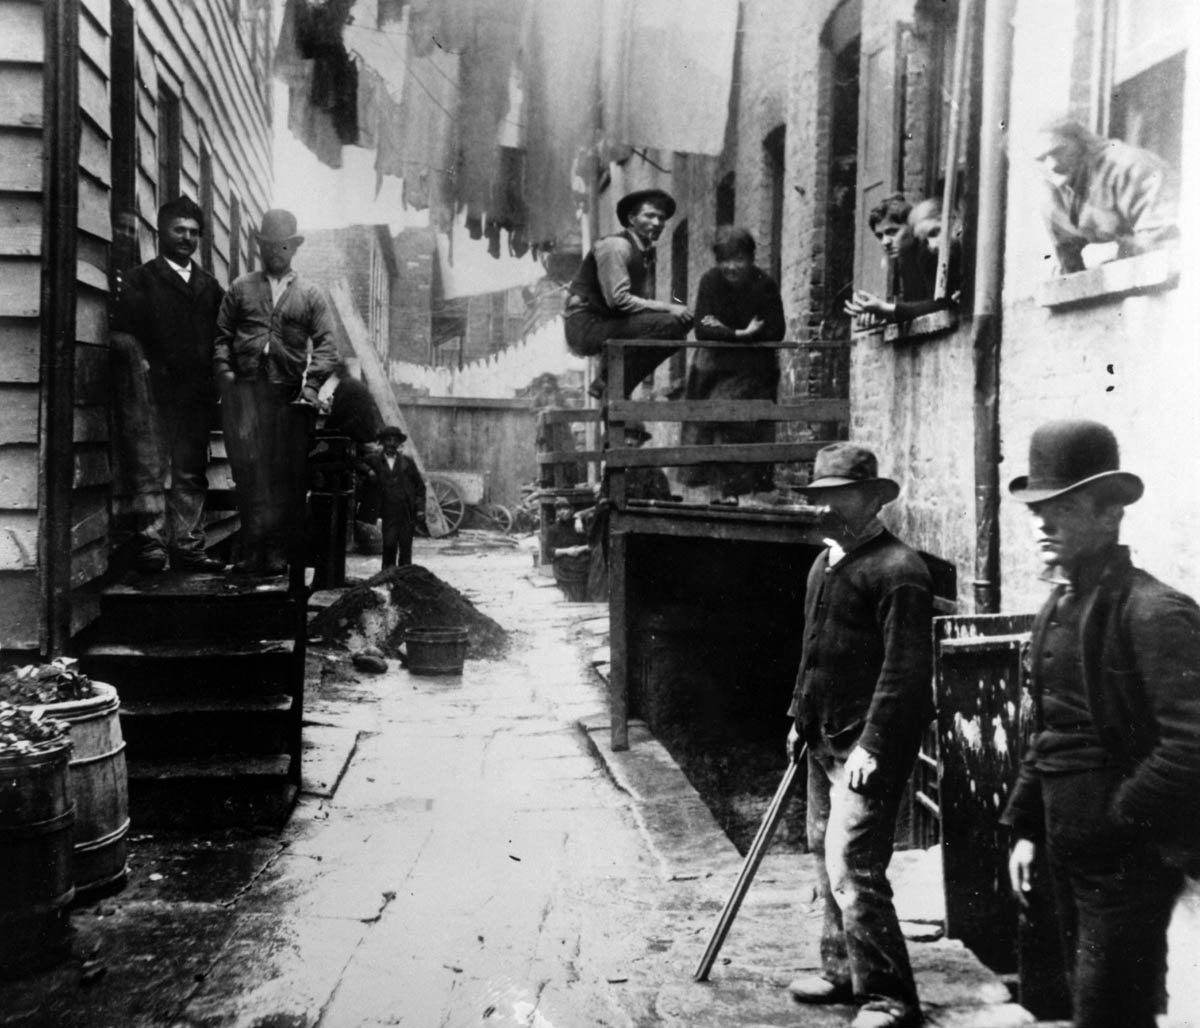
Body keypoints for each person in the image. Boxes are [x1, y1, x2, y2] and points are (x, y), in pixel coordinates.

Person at [1001, 420, 1200, 1028]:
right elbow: (1050, 730)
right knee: (1073, 1003)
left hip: (1125, 863)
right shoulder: (1059, 606)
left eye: (1061, 508)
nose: (1042, 523)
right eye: (1036, 508)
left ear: (1110, 516)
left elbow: (1192, 745)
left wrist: (1120, 817)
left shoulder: (1153, 611)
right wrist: (1028, 824)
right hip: (1067, 852)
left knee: (1110, 1012)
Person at [785, 443, 933, 1028]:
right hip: (823, 736)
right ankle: (841, 971)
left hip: (867, 747)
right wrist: (798, 718)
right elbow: (812, 653)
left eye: (836, 498)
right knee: (824, 856)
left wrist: (873, 744)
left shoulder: (900, 572)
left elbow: (905, 672)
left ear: (871, 500)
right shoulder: (825, 565)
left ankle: (890, 997)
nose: (823, 509)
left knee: (854, 867)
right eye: (818, 498)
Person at [213, 208, 338, 576]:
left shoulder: (311, 294)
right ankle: (253, 551)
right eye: (268, 245)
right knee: (249, 473)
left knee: (286, 476)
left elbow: (328, 345)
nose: (275, 252)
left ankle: (280, 554)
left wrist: (312, 385)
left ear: (294, 247)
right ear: (261, 246)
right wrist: (225, 372)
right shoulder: (241, 288)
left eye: (283, 245)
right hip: (246, 395)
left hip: (288, 398)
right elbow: (221, 337)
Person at [110, 196, 226, 573]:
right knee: (150, 469)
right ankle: (152, 547)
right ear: (162, 232)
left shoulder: (211, 288)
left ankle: (189, 547)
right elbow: (127, 337)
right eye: (179, 230)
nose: (186, 238)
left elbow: (221, 340)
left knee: (190, 472)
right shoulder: (140, 280)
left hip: (194, 397)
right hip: (153, 397)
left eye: (194, 233)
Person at [678, 226, 785, 501]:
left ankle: (742, 492)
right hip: (713, 369)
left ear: (751, 258)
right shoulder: (710, 281)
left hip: (753, 370)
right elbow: (703, 325)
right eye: (725, 260)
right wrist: (739, 334)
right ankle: (717, 493)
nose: (732, 267)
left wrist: (750, 335)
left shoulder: (765, 284)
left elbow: (776, 328)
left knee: (744, 425)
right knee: (709, 424)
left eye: (738, 259)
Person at [563, 188, 693, 398]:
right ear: (632, 218)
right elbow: (619, 301)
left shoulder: (643, 253)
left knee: (682, 321)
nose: (657, 223)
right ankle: (608, 381)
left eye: (661, 218)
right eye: (649, 215)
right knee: (672, 324)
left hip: (607, 322)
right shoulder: (617, 246)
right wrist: (669, 307)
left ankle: (612, 389)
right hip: (585, 326)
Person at [1034, 118, 1178, 274]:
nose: (1053, 164)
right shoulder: (1053, 195)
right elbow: (1069, 265)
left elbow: (1166, 242)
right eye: (1041, 159)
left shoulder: (1130, 167)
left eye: (1059, 151)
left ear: (1082, 142)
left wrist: (1115, 251)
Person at [846, 197, 960, 326]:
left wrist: (886, 309)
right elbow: (918, 309)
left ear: (911, 228)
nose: (885, 242)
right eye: (880, 236)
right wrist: (884, 316)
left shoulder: (931, 251)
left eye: (893, 232)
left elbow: (942, 305)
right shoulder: (905, 259)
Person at [363, 425, 426, 570]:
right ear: (383, 442)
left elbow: (420, 486)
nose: (391, 443)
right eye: (388, 440)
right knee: (389, 544)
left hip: (406, 510)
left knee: (405, 546)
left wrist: (420, 509)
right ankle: (387, 578)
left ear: (399, 443)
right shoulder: (374, 461)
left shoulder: (407, 462)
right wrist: (368, 471)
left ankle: (405, 581)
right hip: (386, 511)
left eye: (394, 440)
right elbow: (354, 461)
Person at [547, 496, 590, 602]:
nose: (562, 512)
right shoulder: (553, 529)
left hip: (581, 563)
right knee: (570, 590)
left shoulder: (579, 526)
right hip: (563, 565)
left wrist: (580, 549)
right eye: (559, 509)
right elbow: (549, 551)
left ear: (571, 510)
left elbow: (592, 544)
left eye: (565, 508)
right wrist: (567, 551)